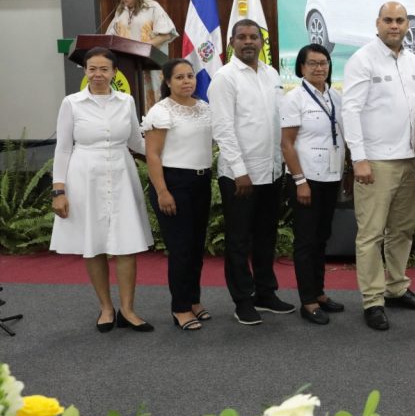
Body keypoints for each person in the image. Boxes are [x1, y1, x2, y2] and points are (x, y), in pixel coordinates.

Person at [342, 1, 415, 331]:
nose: (394, 25)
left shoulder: (412, 61)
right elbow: (350, 110)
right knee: (370, 235)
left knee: (402, 230)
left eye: (400, 20)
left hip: (410, 161)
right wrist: (359, 158)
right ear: (377, 23)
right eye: (388, 20)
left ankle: (396, 288)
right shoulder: (362, 59)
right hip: (376, 163)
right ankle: (372, 300)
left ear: (408, 23)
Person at [50, 47, 154, 332]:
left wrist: (166, 151)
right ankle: (106, 308)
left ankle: (128, 310)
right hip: (84, 176)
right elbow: (62, 148)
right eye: (92, 69)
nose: (98, 74)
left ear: (114, 72)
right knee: (93, 244)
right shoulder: (71, 103)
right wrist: (58, 190)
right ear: (85, 71)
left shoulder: (126, 101)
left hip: (122, 173)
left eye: (104, 69)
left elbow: (136, 142)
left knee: (127, 244)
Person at [208, 19, 295, 325]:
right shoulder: (225, 78)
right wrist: (240, 171)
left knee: (266, 237)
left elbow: (276, 122)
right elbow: (222, 128)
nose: (248, 42)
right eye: (242, 37)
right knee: (239, 240)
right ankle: (243, 300)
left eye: (254, 37)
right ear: (231, 42)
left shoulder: (271, 74)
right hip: (240, 176)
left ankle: (265, 294)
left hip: (271, 171)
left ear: (262, 42)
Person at [142, 59, 213, 331]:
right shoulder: (161, 111)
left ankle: (193, 300)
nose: (187, 81)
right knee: (181, 249)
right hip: (173, 183)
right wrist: (162, 191)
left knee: (196, 248)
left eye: (190, 76)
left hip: (201, 181)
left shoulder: (204, 108)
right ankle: (180, 308)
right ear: (167, 81)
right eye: (180, 77)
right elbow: (152, 155)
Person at [280, 44, 347, 325]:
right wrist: (300, 181)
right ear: (301, 68)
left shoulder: (335, 96)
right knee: (306, 241)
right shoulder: (294, 98)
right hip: (305, 180)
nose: (320, 68)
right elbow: (286, 143)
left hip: (330, 177)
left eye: (324, 63)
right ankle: (307, 301)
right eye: (313, 63)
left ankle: (319, 293)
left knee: (322, 238)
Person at [106, 0, 179, 110]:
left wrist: (140, 48)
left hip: (150, 64)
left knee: (152, 102)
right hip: (127, 65)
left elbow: (167, 34)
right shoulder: (121, 11)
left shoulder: (152, 7)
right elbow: (111, 38)